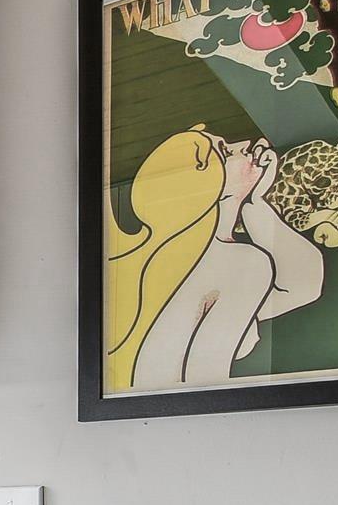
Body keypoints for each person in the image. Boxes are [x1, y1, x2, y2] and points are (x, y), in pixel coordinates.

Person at [106, 126, 325, 392]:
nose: (244, 143)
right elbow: (207, 381)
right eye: (224, 150)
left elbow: (304, 287)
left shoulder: (185, 259)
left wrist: (255, 202)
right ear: (206, 180)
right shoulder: (239, 263)